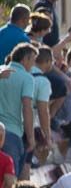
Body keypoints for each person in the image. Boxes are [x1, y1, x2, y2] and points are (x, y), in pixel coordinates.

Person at [0, 44, 37, 176]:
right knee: (10, 181)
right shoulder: (27, 78)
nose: (33, 65)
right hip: (12, 134)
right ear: (25, 59)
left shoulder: (0, 71)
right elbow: (27, 108)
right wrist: (31, 137)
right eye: (33, 61)